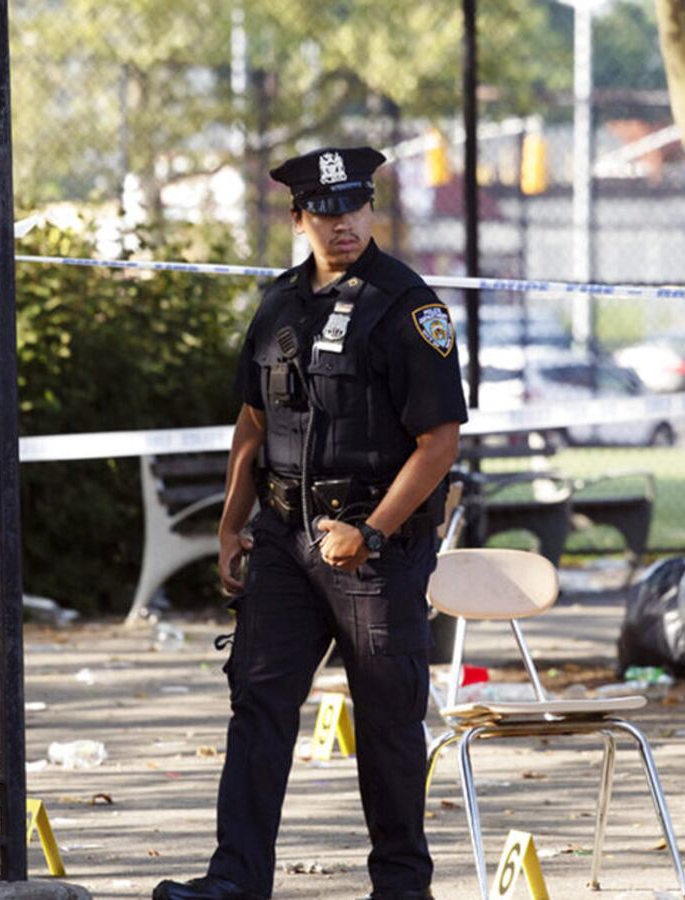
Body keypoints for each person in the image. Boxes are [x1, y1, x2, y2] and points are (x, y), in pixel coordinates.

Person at [153, 146, 466, 900]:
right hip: (286, 543)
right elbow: (253, 424)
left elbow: (439, 443)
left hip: (372, 551)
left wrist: (375, 532)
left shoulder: (408, 307)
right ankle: (234, 882)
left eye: (354, 207)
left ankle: (400, 888)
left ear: (370, 209)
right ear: (299, 219)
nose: (342, 224)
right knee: (258, 702)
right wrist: (233, 526)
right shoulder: (280, 303)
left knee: (388, 722)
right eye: (325, 212)